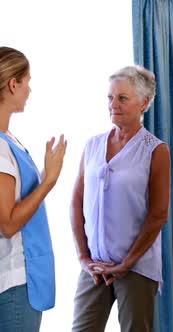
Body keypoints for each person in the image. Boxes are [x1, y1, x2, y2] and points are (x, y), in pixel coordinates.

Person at [70, 65, 171, 332]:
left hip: (136, 268)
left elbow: (159, 214)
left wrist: (128, 262)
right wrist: (83, 257)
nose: (113, 104)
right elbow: (76, 202)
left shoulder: (156, 151)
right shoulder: (92, 145)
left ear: (144, 103)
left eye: (122, 98)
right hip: (95, 267)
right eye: (110, 97)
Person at [0, 46, 67, 331]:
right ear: (13, 84)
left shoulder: (9, 139)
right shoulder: (1, 149)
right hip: (13, 283)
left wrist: (42, 174)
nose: (29, 89)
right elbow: (8, 223)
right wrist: (49, 180)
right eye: (27, 82)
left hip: (21, 280)